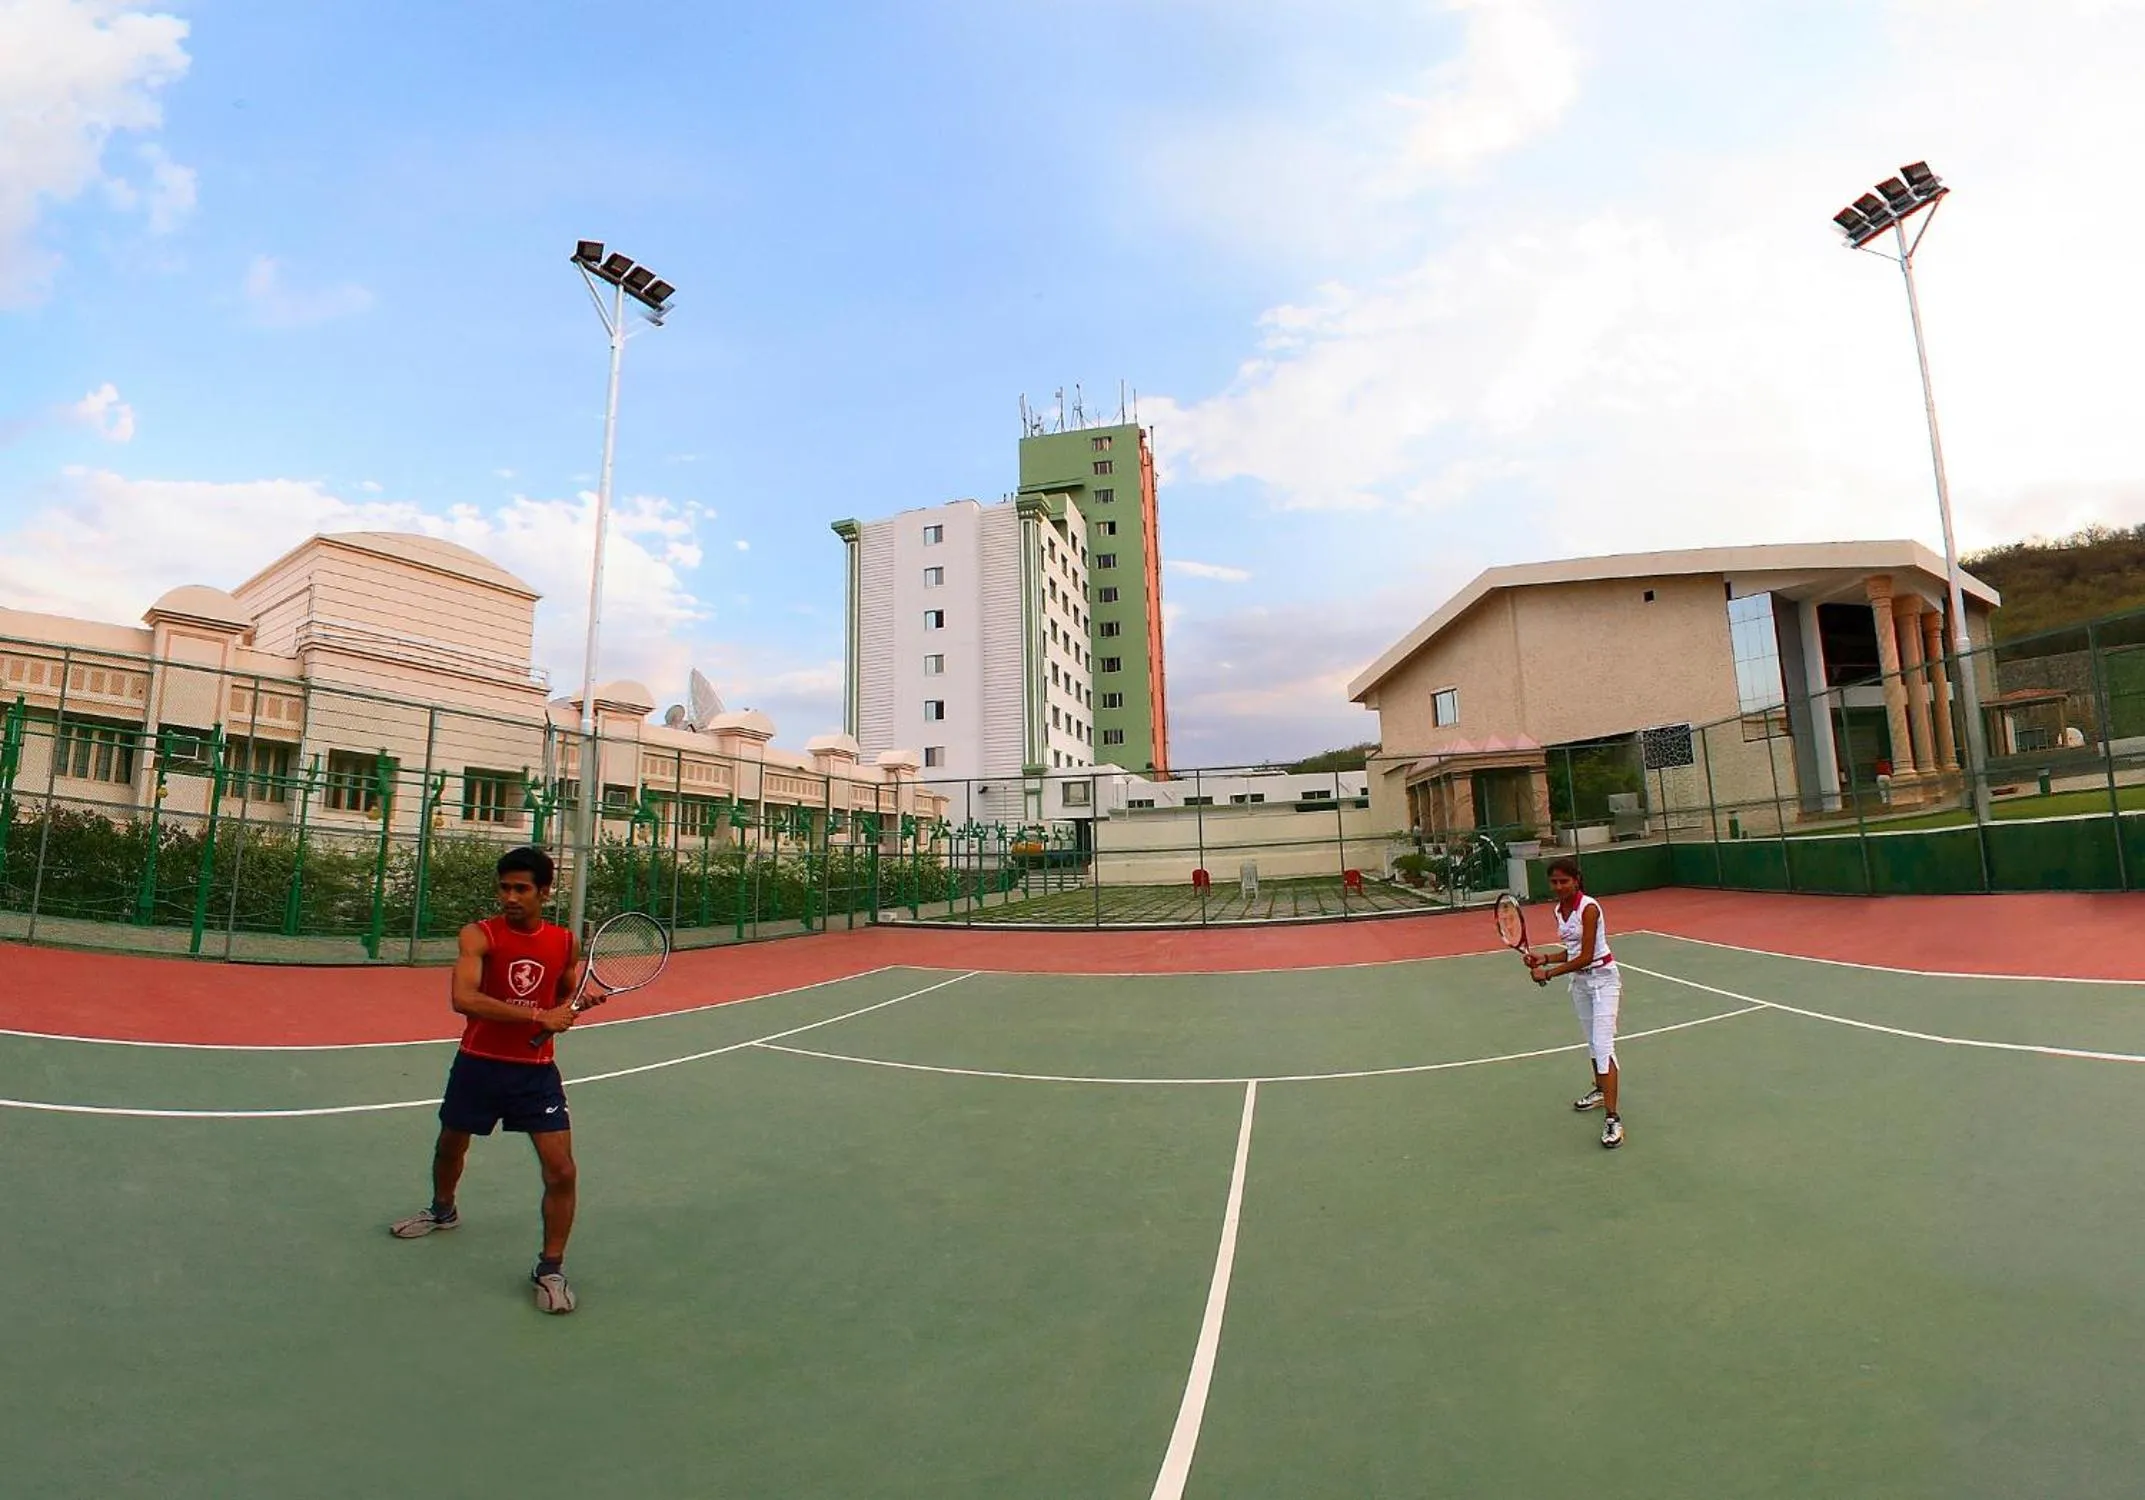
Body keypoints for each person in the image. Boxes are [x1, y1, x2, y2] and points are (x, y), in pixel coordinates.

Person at [390, 846, 589, 1312]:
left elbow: (565, 992)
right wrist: (541, 1013)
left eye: (521, 888)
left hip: (535, 1074)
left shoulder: (564, 942)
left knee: (561, 1170)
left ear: (544, 891)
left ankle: (550, 1268)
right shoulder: (480, 935)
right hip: (478, 1063)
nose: (510, 897)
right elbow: (464, 998)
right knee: (450, 1146)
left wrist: (577, 1004)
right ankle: (443, 1210)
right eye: (504, 887)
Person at [1526, 857, 1625, 1149]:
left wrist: (1548, 973)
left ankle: (1613, 1118)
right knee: (1592, 1044)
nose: (1558, 887)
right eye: (1554, 882)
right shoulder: (1559, 910)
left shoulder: (1589, 908)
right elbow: (1571, 952)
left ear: (1576, 880)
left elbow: (1586, 956)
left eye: (1564, 881)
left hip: (1604, 981)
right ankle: (1599, 1090)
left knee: (1604, 1046)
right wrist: (1544, 957)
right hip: (1581, 984)